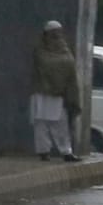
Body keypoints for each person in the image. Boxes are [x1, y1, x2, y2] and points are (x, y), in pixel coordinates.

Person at [30, 20, 79, 162]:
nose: (56, 36)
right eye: (53, 33)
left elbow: (69, 67)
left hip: (58, 93)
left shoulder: (64, 50)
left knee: (61, 124)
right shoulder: (40, 50)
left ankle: (66, 152)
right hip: (42, 92)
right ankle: (43, 152)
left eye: (58, 33)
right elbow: (45, 65)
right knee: (41, 124)